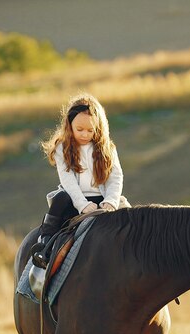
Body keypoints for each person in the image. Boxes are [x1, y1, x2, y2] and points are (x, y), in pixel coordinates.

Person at [31, 93, 127, 268]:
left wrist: (111, 201)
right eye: (79, 129)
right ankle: (44, 244)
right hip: (74, 199)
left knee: (130, 218)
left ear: (98, 128)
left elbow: (116, 177)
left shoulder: (108, 149)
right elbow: (68, 181)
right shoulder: (63, 148)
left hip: (104, 198)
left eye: (90, 130)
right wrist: (82, 205)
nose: (85, 134)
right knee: (60, 199)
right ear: (70, 126)